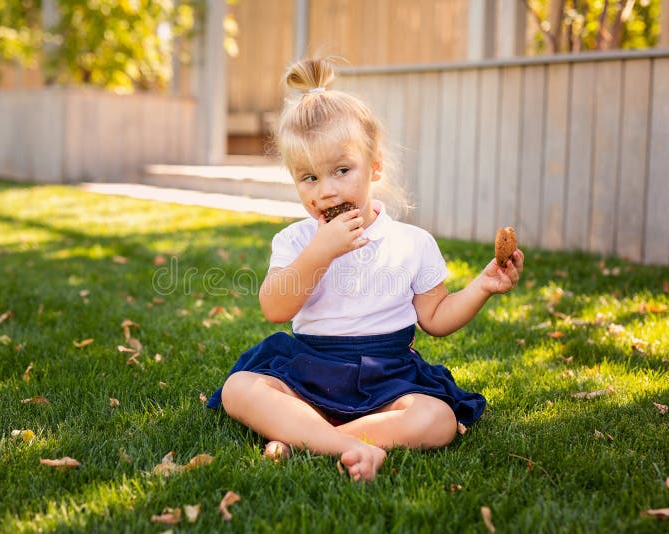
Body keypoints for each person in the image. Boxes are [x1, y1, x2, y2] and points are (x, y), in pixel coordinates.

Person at [207, 57, 524, 482]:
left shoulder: (413, 243)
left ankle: (301, 437)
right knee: (239, 389)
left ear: (374, 167)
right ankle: (345, 445)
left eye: (342, 170)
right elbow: (274, 308)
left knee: (437, 419)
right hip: (309, 372)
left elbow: (435, 318)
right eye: (309, 178)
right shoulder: (297, 241)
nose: (327, 189)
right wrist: (320, 252)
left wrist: (482, 287)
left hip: (387, 377)